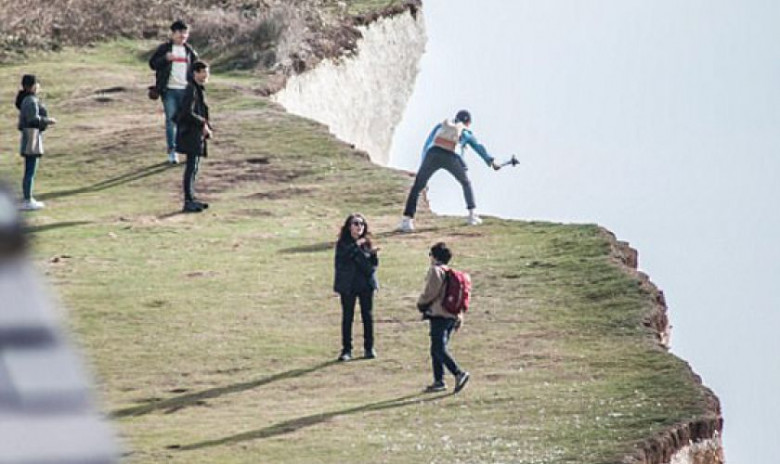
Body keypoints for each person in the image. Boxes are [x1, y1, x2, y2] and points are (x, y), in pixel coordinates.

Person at [399, 110, 501, 232]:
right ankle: (472, 215)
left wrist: (423, 164)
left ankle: (407, 221)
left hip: (432, 154)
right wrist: (491, 161)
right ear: (468, 122)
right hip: (452, 157)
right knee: (465, 183)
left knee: (417, 186)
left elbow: (428, 143)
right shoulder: (464, 131)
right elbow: (478, 147)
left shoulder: (442, 126)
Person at [417, 242, 470, 393]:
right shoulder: (452, 273)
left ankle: (458, 373)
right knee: (437, 348)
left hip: (439, 314)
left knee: (438, 349)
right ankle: (438, 380)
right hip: (452, 315)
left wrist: (421, 304)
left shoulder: (436, 270)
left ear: (434, 256)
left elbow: (431, 292)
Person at [149, 20, 199, 164]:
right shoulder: (164, 48)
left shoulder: (189, 51)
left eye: (185, 33)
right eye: (180, 32)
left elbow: (196, 69)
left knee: (187, 120)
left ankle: (188, 150)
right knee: (171, 121)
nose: (183, 35)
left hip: (186, 90)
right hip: (169, 90)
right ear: (173, 33)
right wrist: (165, 59)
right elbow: (152, 64)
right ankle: (172, 151)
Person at [333, 213, 379, 361]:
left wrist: (372, 255)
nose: (359, 227)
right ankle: (346, 350)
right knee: (348, 317)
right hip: (349, 285)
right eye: (356, 223)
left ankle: (369, 348)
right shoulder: (343, 244)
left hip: (365, 284)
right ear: (349, 227)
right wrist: (356, 246)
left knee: (368, 316)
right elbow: (343, 260)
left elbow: (372, 266)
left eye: (362, 224)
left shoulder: (367, 243)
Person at [15, 74, 56, 211]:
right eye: (36, 84)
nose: (38, 86)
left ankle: (27, 198)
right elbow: (33, 119)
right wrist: (48, 121)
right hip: (31, 136)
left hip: (29, 136)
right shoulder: (30, 100)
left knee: (29, 169)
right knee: (30, 170)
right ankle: (28, 199)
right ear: (31, 86)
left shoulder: (26, 100)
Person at [176, 61, 212, 213]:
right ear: (195, 73)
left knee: (194, 167)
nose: (206, 76)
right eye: (203, 72)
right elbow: (186, 112)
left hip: (195, 133)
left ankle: (192, 198)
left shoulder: (197, 89)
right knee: (191, 167)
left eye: (207, 73)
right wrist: (202, 123)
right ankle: (188, 201)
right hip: (190, 133)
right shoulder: (191, 89)